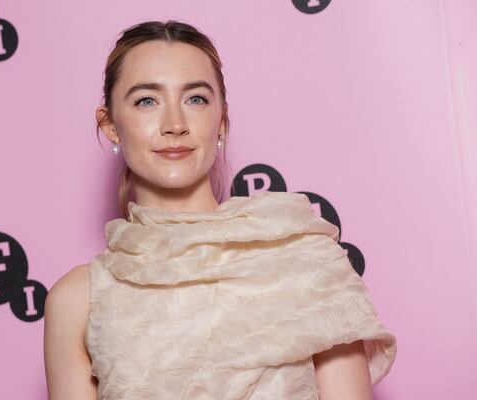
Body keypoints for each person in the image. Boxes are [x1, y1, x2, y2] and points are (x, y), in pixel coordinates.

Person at [44, 20, 397, 400]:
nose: (175, 124)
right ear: (110, 124)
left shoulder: (307, 262)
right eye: (147, 100)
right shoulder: (79, 300)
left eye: (195, 99)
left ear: (222, 120)